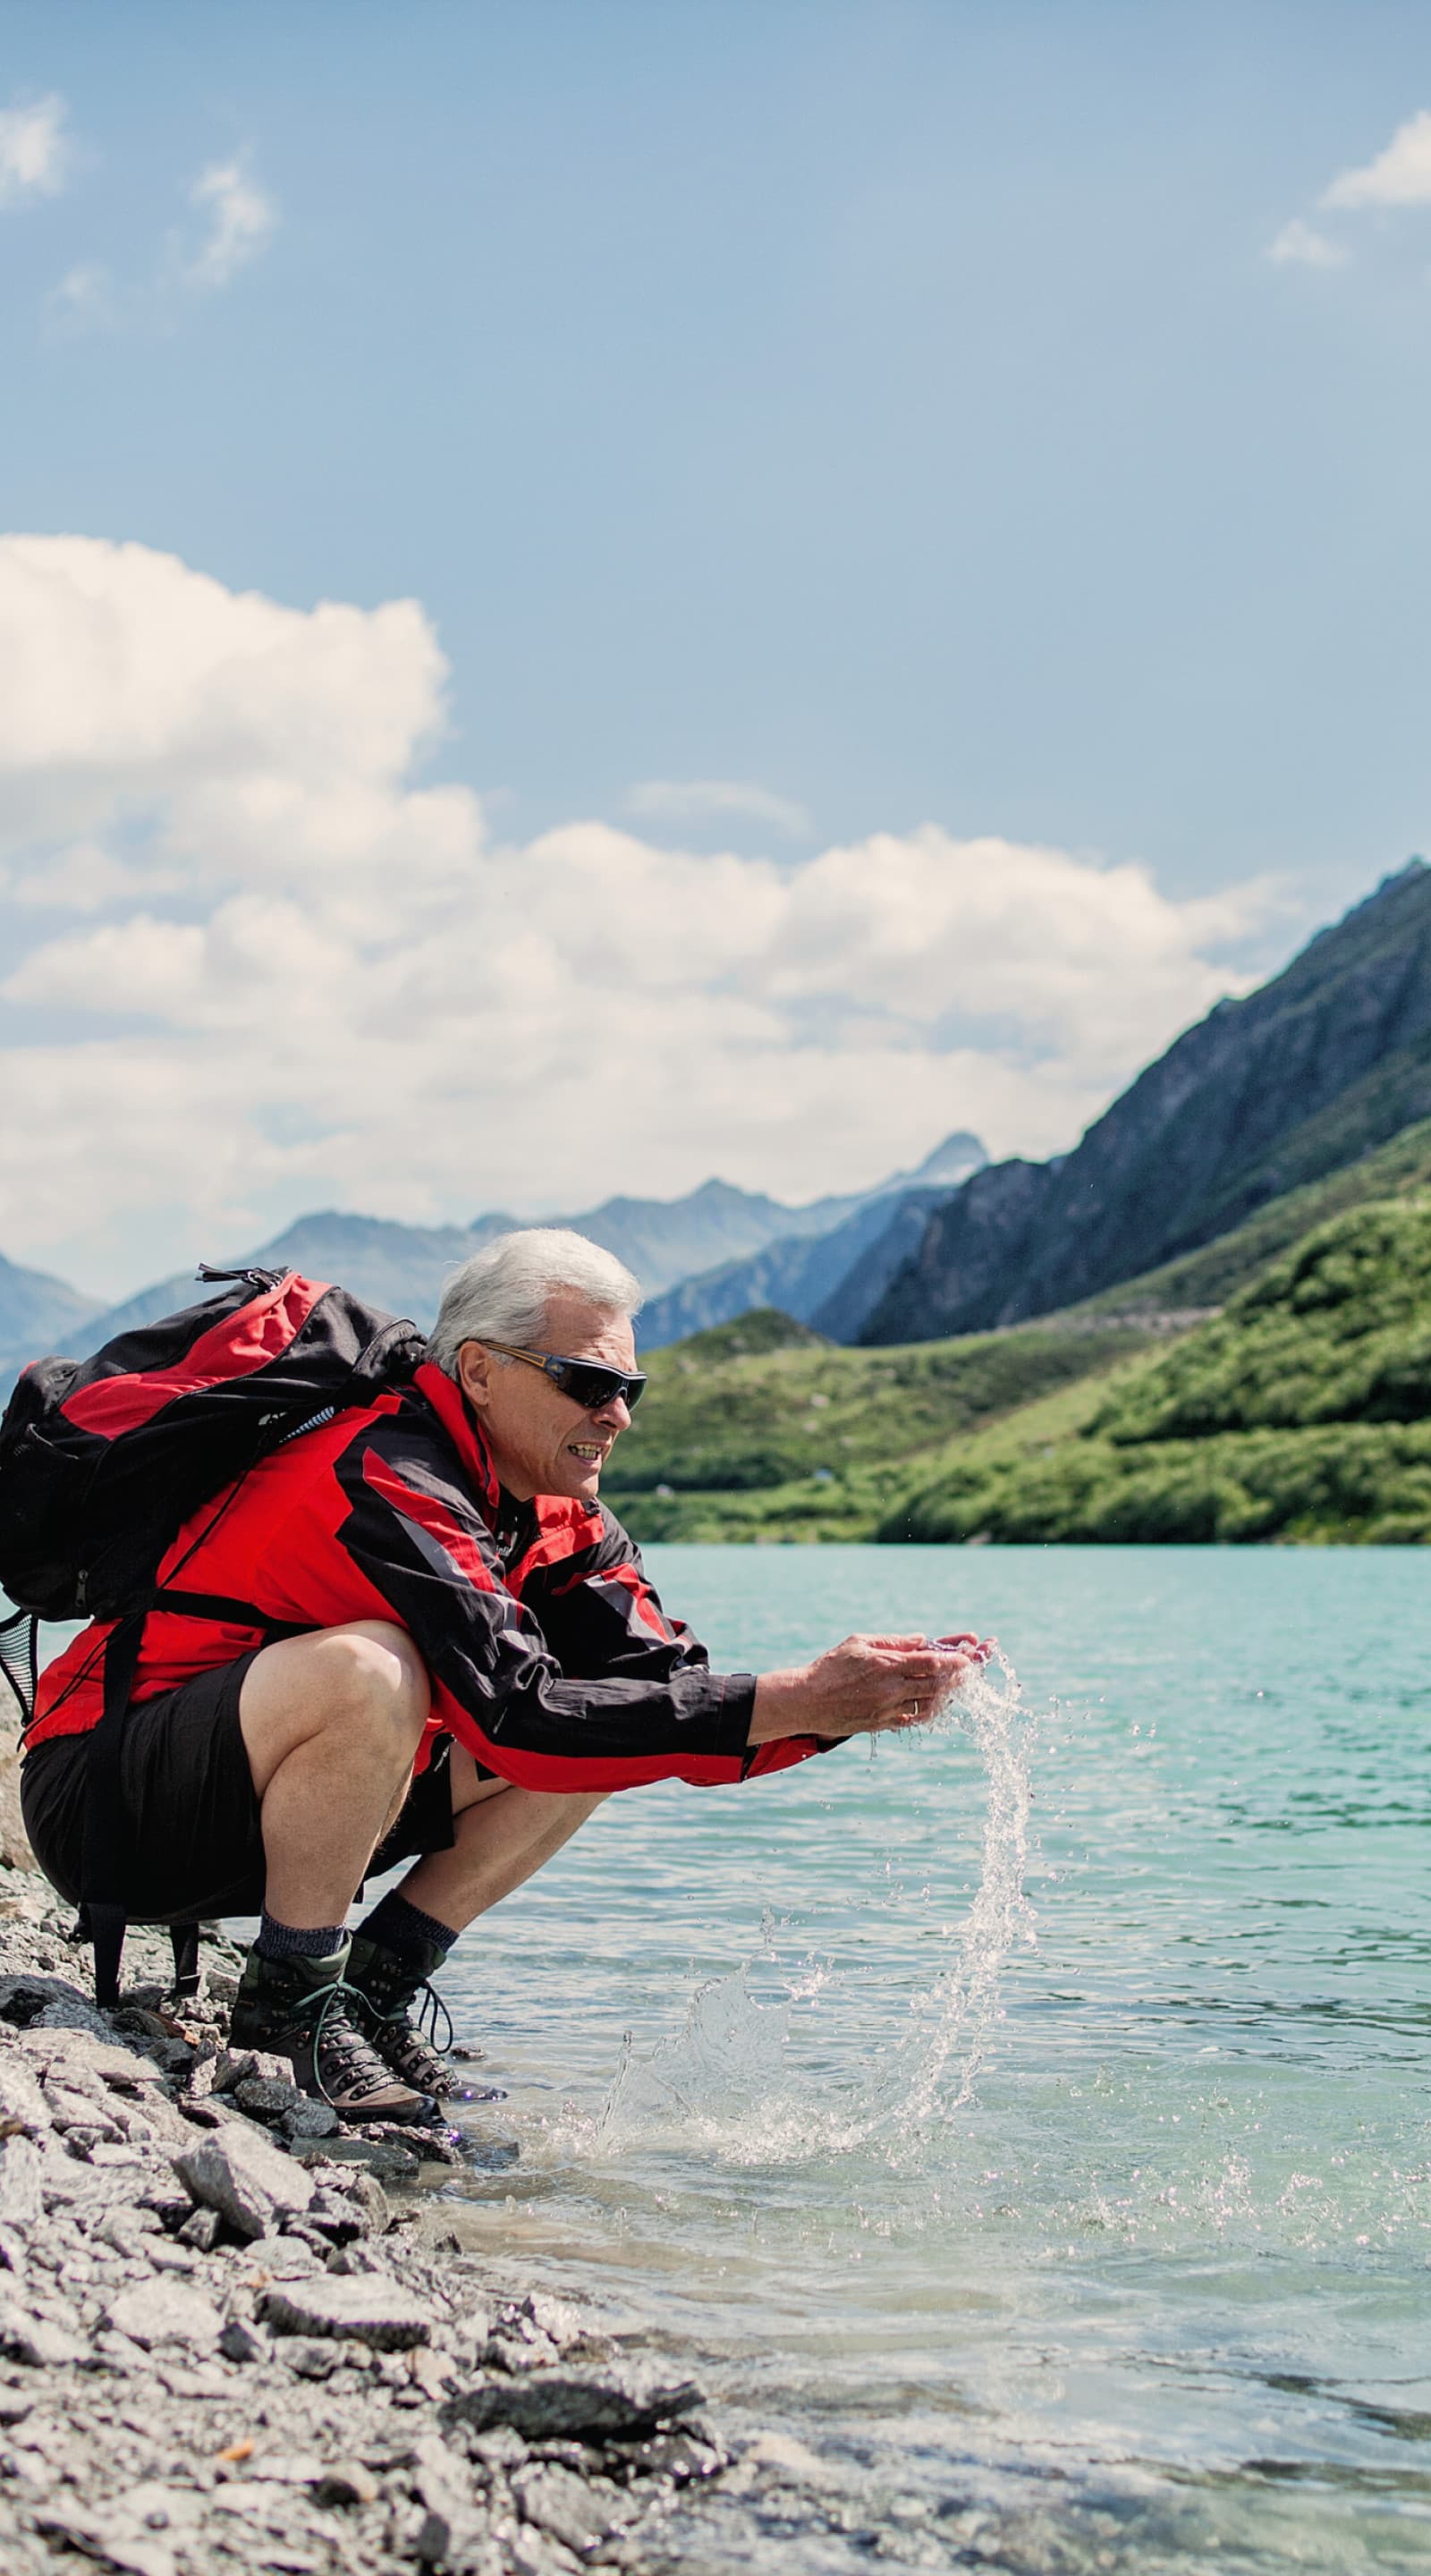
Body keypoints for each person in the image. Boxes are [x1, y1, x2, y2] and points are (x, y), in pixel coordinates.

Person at [21, 1231, 979, 2122]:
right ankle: (289, 2012)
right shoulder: (387, 1474)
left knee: (626, 1725)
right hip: (103, 1801)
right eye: (587, 1381)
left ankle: (373, 1995)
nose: (618, 1415)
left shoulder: (557, 1517)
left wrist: (850, 1707)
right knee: (374, 1671)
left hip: (246, 1803)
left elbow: (673, 1701)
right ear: (477, 1371)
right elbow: (520, 1720)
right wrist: (799, 1699)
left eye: (630, 1386)